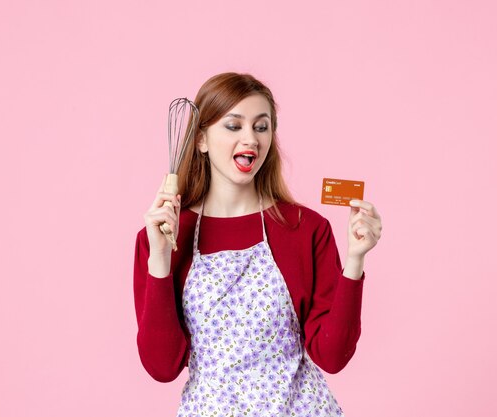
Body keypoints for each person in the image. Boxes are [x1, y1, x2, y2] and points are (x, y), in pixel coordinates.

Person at [133, 72, 382, 416]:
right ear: (201, 139)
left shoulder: (305, 228)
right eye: (234, 126)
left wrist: (355, 261)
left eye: (261, 127)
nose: (251, 138)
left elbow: (333, 356)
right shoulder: (163, 236)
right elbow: (162, 367)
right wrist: (160, 260)